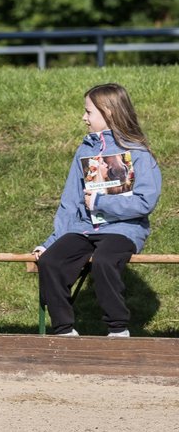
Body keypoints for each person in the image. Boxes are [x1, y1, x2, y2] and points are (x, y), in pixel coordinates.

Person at [33, 84, 161, 337]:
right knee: (50, 261)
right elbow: (70, 202)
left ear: (109, 113)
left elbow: (145, 202)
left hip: (123, 230)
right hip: (84, 228)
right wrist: (51, 242)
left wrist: (101, 203)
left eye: (88, 112)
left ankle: (118, 329)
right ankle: (63, 330)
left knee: (104, 260)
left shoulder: (138, 152)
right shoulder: (85, 150)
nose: (83, 118)